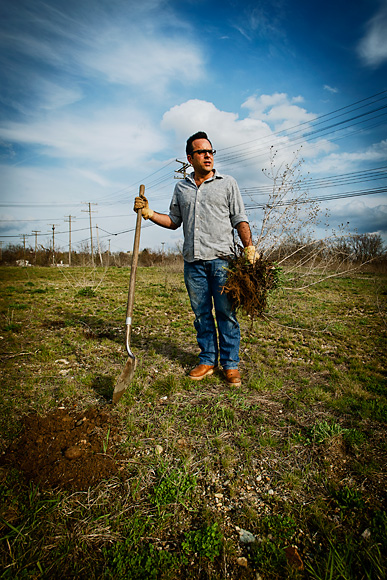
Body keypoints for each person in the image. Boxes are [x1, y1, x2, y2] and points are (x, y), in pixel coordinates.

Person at [134, 131, 256, 387]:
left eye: (210, 151)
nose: (208, 155)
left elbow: (240, 218)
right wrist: (148, 213)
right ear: (190, 158)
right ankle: (208, 360)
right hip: (193, 263)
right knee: (201, 314)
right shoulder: (181, 188)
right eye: (202, 152)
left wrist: (249, 247)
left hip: (223, 261)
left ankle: (231, 365)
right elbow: (174, 222)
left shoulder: (228, 183)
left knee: (226, 313)